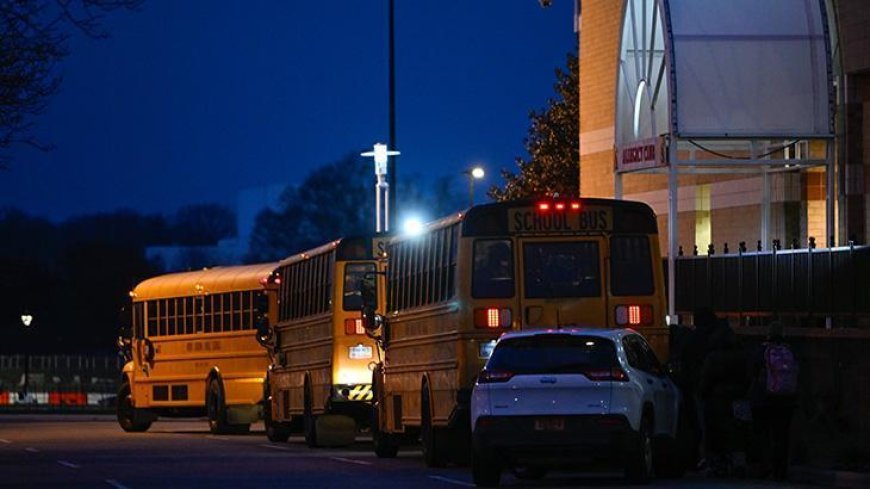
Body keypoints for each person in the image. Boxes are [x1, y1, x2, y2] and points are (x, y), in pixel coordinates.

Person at [698, 320, 751, 477]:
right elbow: (748, 377)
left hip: (717, 399)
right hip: (739, 397)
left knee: (717, 433)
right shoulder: (741, 355)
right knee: (738, 432)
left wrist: (702, 393)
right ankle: (739, 463)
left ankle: (718, 464)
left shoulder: (714, 357)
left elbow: (706, 379)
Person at [747, 321, 798, 481]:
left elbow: (752, 372)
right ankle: (780, 471)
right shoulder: (790, 350)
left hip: (765, 399)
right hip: (786, 399)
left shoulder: (761, 351)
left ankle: (763, 468)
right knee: (782, 436)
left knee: (763, 435)